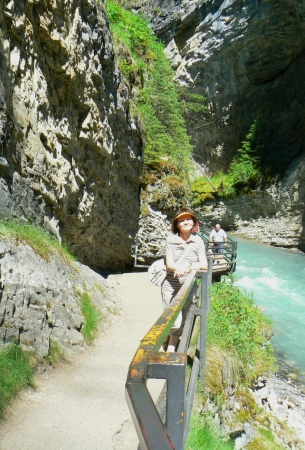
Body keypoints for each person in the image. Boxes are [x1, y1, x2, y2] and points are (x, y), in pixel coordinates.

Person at [161, 208, 207, 352]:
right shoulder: (171, 240)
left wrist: (188, 266)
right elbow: (170, 264)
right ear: (177, 224)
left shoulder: (198, 241)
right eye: (182, 219)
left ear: (193, 222)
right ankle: (163, 338)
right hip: (170, 286)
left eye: (188, 219)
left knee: (182, 320)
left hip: (188, 287)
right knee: (173, 322)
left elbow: (204, 265)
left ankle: (170, 348)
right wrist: (178, 268)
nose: (186, 222)